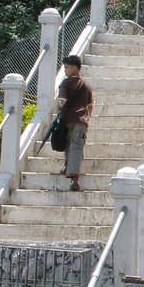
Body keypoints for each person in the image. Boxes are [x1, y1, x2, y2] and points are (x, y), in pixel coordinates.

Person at [57, 55, 93, 193]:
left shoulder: (65, 83)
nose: (65, 70)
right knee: (76, 146)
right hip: (81, 121)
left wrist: (61, 106)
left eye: (66, 67)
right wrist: (87, 118)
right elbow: (90, 105)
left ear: (74, 67)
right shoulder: (86, 85)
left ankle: (71, 174)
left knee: (69, 145)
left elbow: (62, 101)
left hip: (67, 120)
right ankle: (71, 173)